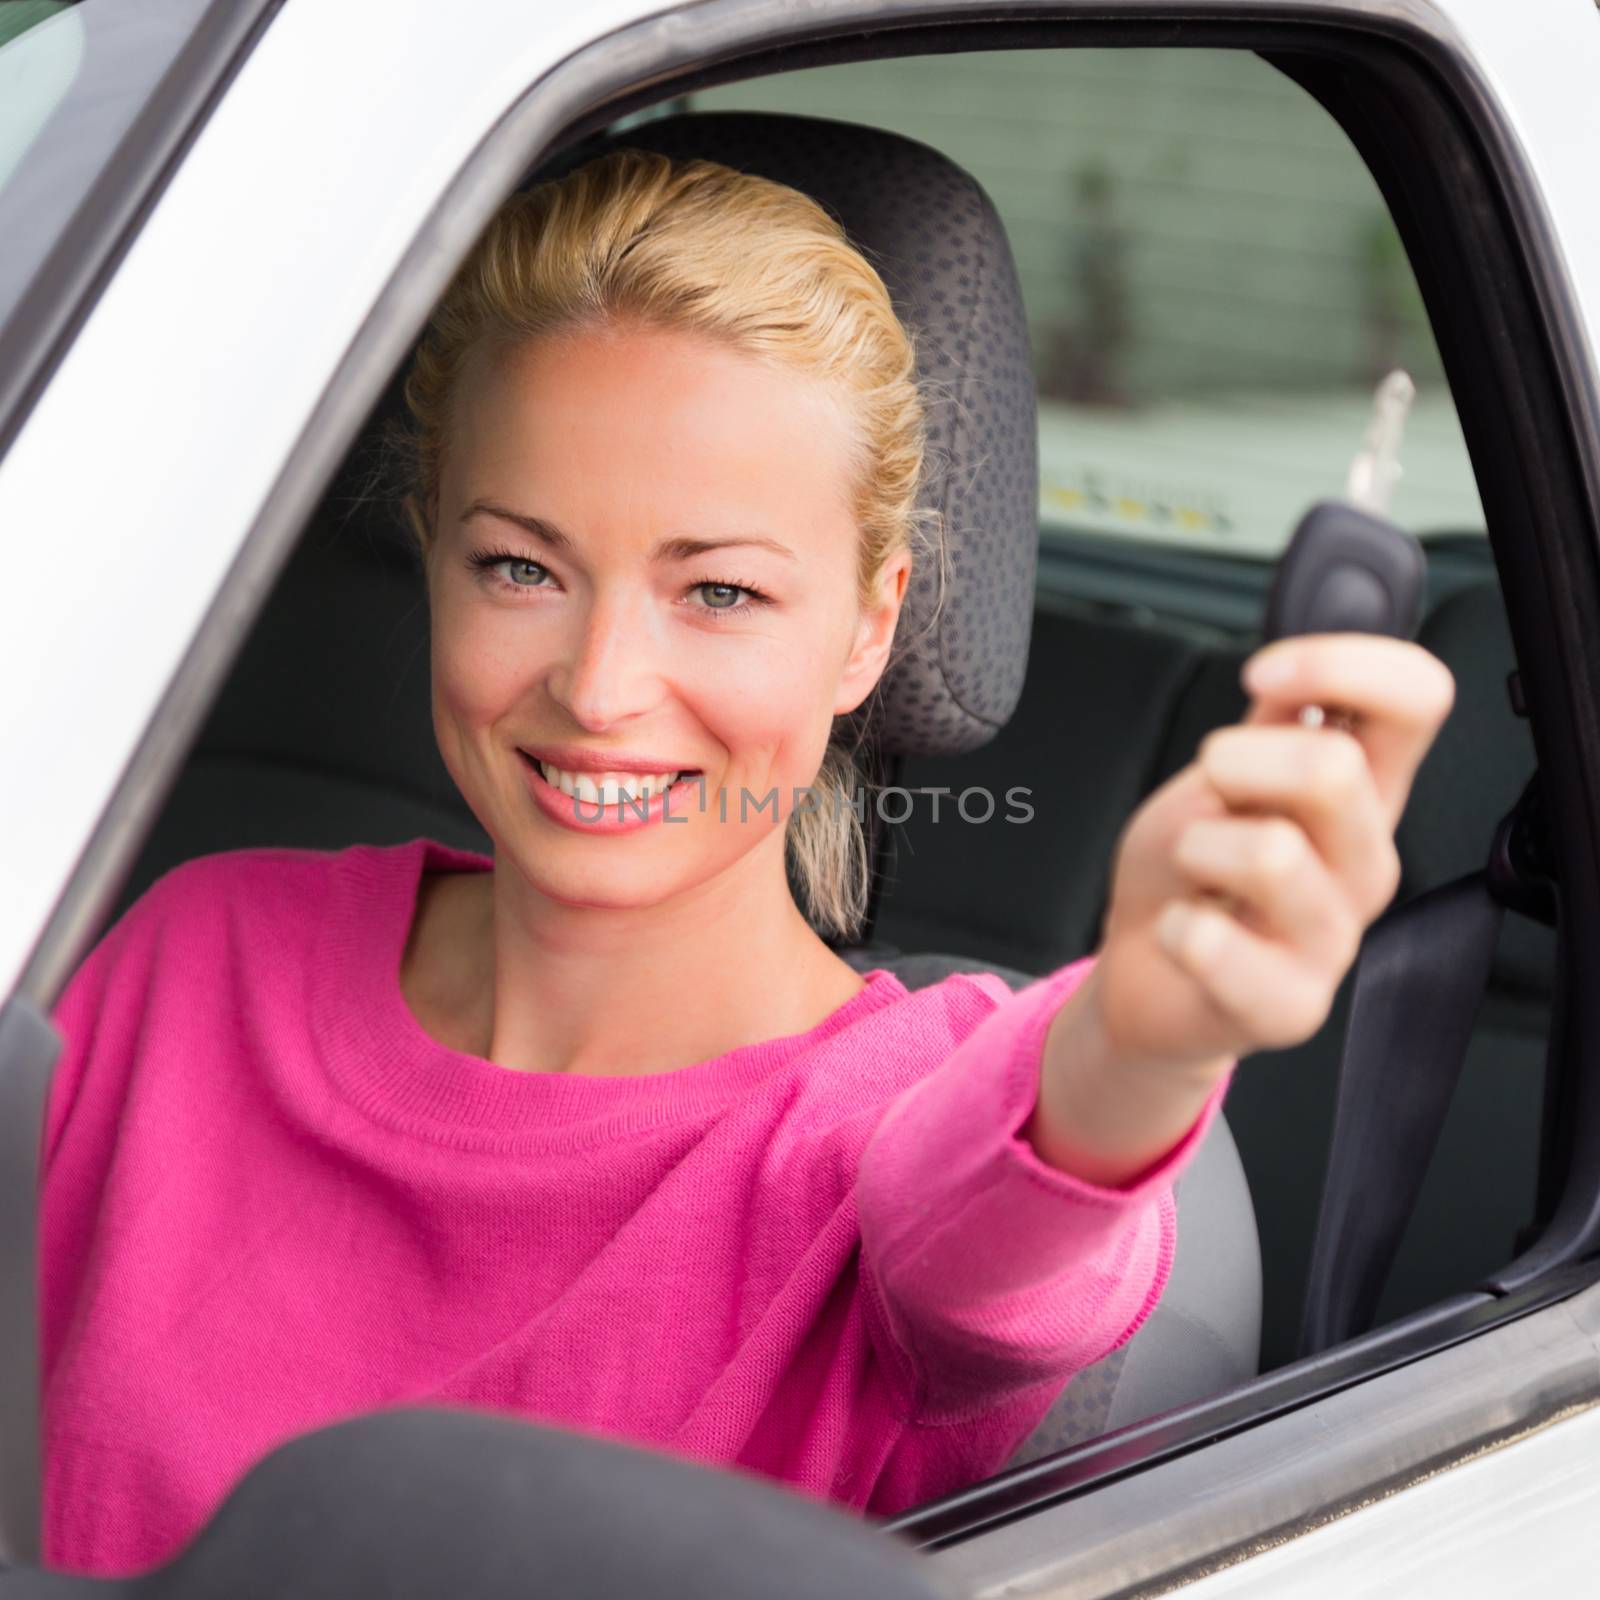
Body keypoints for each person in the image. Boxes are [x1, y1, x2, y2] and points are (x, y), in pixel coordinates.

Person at [37, 148, 1456, 1579]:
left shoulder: (888, 1122)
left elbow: (1019, 1219)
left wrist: (1147, 1036)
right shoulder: (194, 951)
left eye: (719, 591)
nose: (598, 687)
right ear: (431, 552)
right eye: (520, 568)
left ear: (867, 626)